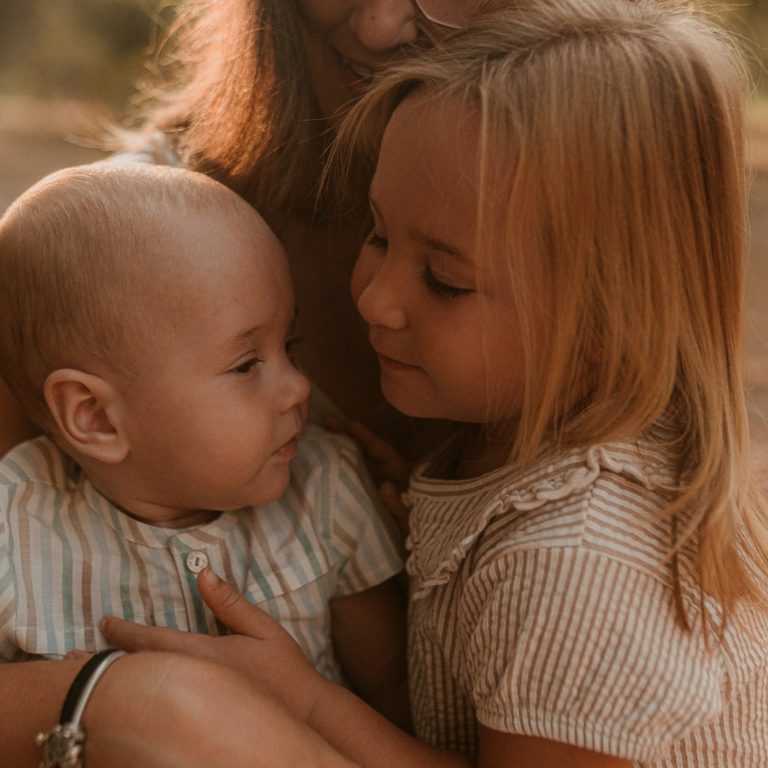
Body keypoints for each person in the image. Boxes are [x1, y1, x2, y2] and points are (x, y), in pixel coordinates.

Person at [103, 1, 768, 766]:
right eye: (378, 234)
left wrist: (302, 699)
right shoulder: (505, 452)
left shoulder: (576, 557)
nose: (375, 299)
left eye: (446, 282)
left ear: (607, 323)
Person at [0, 0, 499, 459]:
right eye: (244, 364)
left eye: (446, 279)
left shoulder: (573, 232)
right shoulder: (85, 254)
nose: (377, 27)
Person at [0, 162, 406, 718]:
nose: (297, 387)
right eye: (245, 365)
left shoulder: (328, 489)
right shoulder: (14, 527)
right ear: (95, 417)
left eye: (291, 344)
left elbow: (394, 697)